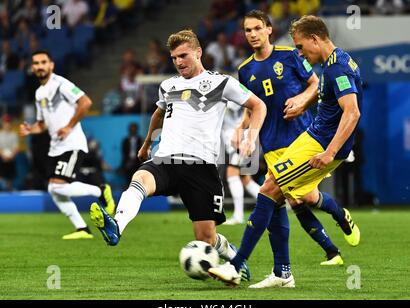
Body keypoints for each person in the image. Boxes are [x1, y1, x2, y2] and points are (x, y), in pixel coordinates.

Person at [89, 29, 267, 279]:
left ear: (198, 52)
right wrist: (147, 143)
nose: (179, 62)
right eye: (174, 58)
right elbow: (158, 113)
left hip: (201, 167)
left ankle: (232, 255)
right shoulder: (168, 85)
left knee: (206, 237)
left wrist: (251, 136)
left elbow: (258, 105)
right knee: (139, 180)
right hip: (167, 159)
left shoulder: (221, 83)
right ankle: (116, 226)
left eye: (183, 55)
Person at [209, 14, 362, 287]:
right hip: (293, 140)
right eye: (247, 30)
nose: (300, 52)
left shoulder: (332, 67)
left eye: (302, 47)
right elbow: (253, 105)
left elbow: (352, 113)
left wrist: (329, 152)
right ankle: (283, 272)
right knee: (280, 198)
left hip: (312, 141)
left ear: (314, 39)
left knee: (277, 193)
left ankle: (237, 266)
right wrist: (244, 130)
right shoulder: (333, 63)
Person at [19, 50, 115, 240]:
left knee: (57, 186)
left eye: (43, 62)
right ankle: (81, 228)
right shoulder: (40, 93)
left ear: (51, 65)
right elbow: (43, 124)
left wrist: (69, 126)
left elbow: (85, 102)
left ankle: (100, 190)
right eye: (36, 63)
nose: (39, 66)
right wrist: (30, 130)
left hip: (72, 143)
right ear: (33, 67)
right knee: (53, 190)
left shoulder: (61, 84)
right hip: (56, 147)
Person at [221, 101, 260, 225]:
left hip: (239, 142)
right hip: (237, 142)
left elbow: (234, 107)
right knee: (245, 179)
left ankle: (238, 215)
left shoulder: (233, 94)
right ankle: (275, 204)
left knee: (232, 174)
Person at [0, 114, 19, 191]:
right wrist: (3, 156)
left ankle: (9, 189)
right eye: (5, 122)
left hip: (11, 160)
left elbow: (16, 148)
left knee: (10, 178)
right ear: (2, 123)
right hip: (1, 159)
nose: (7, 124)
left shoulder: (14, 135)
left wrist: (11, 156)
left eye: (8, 122)